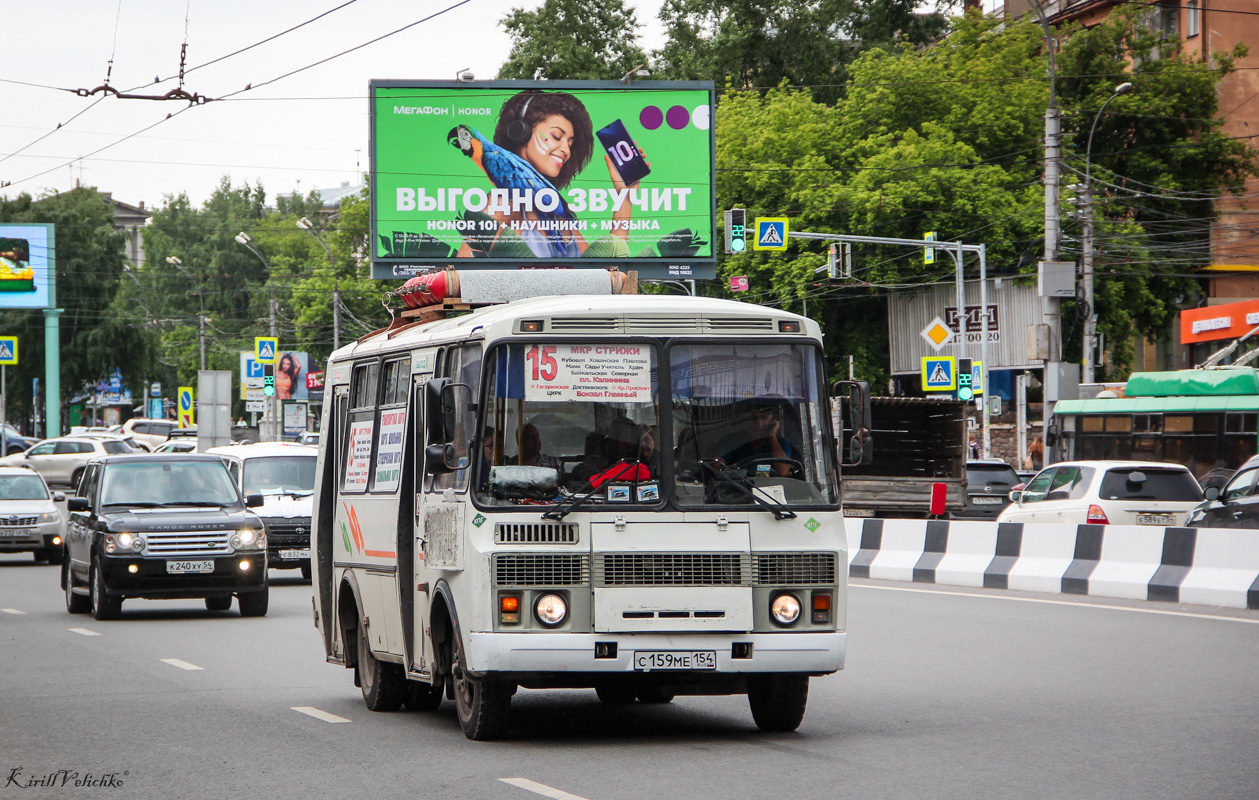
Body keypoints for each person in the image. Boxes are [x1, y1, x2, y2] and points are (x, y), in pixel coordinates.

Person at [451, 90, 648, 258]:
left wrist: (625, 194)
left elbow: (607, 270)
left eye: (570, 143)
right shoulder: (505, 203)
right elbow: (465, 272)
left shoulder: (557, 213)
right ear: (522, 133)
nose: (566, 150)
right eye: (556, 136)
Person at [721, 402, 797, 478]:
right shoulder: (732, 441)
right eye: (753, 418)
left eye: (764, 418)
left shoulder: (780, 444)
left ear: (771, 421)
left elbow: (784, 472)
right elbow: (716, 465)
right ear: (745, 420)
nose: (759, 424)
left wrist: (772, 437)